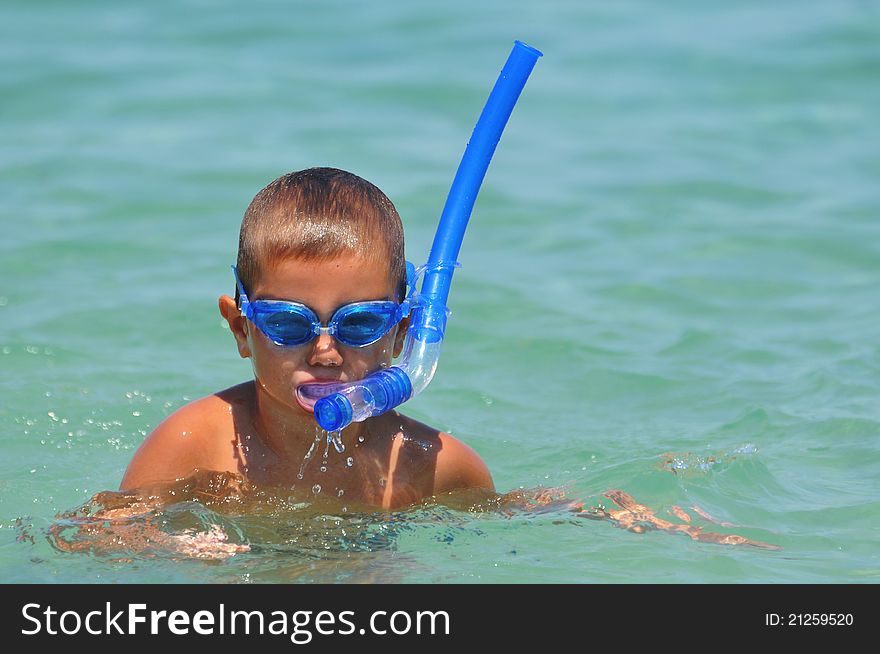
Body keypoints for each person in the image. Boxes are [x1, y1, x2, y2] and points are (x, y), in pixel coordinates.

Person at [120, 167, 494, 509]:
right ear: (241, 328)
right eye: (288, 323)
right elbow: (104, 546)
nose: (325, 354)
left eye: (360, 324)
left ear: (400, 332)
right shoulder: (193, 449)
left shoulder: (437, 470)